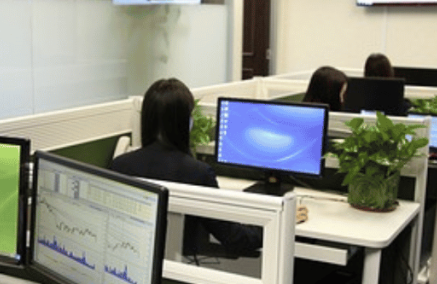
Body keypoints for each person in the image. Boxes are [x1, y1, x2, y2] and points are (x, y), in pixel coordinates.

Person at [111, 79, 307, 259]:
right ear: (184, 123)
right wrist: (282, 222)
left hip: (130, 266)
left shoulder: (120, 166)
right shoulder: (197, 173)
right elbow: (234, 239)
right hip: (180, 273)